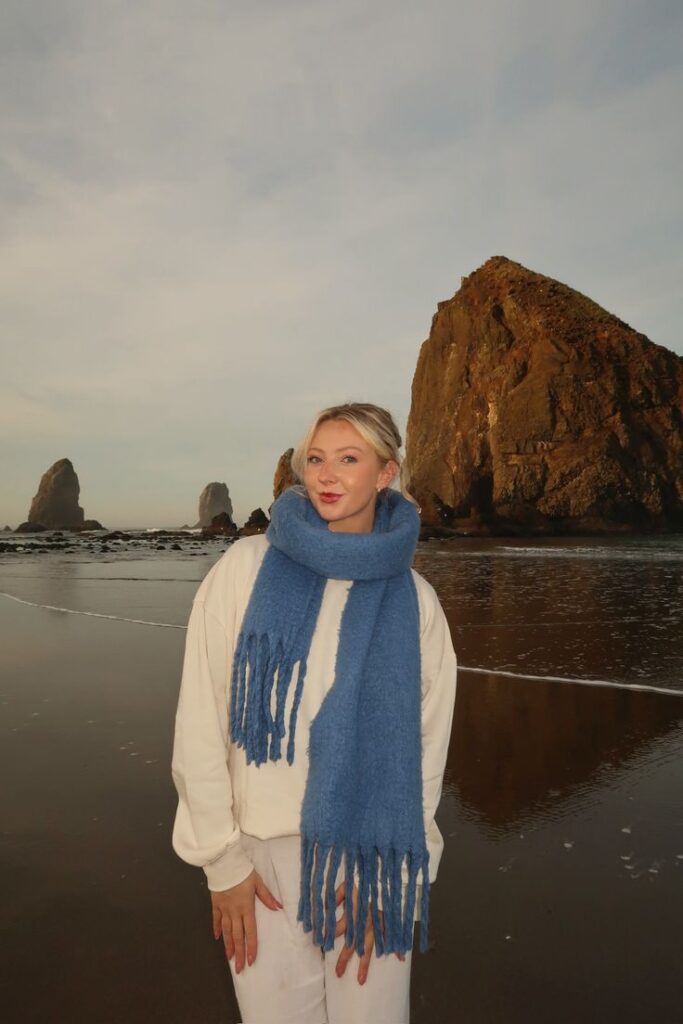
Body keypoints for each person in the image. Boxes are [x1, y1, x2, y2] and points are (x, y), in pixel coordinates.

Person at [171, 402, 457, 1024]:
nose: (326, 475)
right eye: (316, 460)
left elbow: (426, 750)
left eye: (348, 460)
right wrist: (222, 863)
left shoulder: (417, 602)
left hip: (369, 862)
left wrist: (399, 874)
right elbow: (201, 719)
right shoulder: (244, 570)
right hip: (260, 865)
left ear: (386, 474)